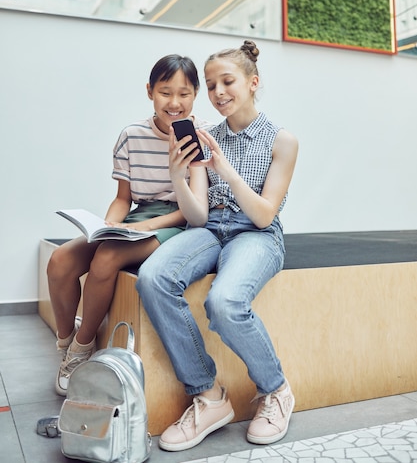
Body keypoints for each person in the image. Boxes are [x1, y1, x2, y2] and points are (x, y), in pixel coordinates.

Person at [136, 40, 299, 451]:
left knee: (224, 302)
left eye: (227, 82)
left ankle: (276, 390)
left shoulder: (282, 141)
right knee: (153, 277)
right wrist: (179, 175)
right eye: (210, 85)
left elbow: (264, 214)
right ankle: (208, 397)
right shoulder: (204, 136)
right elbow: (198, 218)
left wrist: (222, 165)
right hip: (212, 230)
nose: (218, 92)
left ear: (252, 82)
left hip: (256, 234)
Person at [47, 54, 207, 396]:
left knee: (105, 258)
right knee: (60, 260)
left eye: (184, 93)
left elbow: (189, 210)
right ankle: (66, 342)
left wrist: (142, 229)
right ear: (150, 91)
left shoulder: (200, 138)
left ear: (196, 94)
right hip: (138, 217)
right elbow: (123, 198)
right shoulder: (131, 135)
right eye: (165, 92)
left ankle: (82, 348)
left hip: (176, 224)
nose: (175, 102)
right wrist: (110, 224)